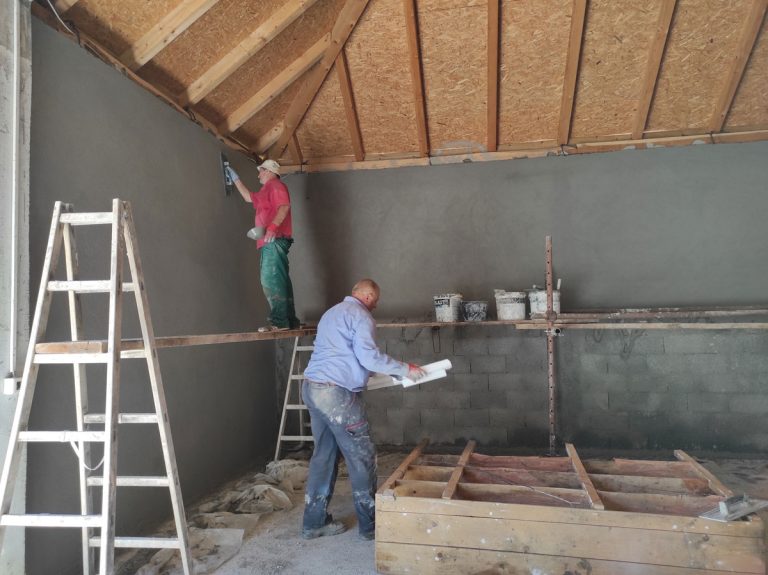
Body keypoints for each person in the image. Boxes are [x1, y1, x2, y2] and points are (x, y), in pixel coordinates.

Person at [300, 279, 425, 541]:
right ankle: (371, 526)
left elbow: (348, 356)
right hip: (336, 395)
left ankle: (313, 523)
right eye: (376, 302)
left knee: (324, 455)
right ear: (368, 296)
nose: (375, 307)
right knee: (362, 457)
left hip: (312, 388)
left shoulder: (332, 313)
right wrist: (406, 369)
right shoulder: (361, 315)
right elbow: (368, 357)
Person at [226, 159, 300, 331]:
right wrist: (235, 177)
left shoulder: (276, 185)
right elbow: (247, 197)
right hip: (271, 239)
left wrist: (272, 228)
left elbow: (284, 207)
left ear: (269, 171)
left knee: (271, 278)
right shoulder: (266, 190)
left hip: (273, 239)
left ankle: (280, 322)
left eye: (261, 171)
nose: (259, 174)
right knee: (280, 278)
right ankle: (289, 321)